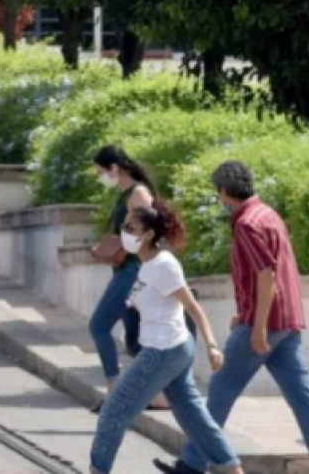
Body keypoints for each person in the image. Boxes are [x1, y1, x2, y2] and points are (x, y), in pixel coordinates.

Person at [154, 161, 309, 474]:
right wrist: (244, 315)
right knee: (303, 399)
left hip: (266, 326)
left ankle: (192, 463)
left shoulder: (245, 224)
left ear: (225, 191)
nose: (219, 199)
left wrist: (256, 327)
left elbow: (266, 275)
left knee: (219, 392)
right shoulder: (268, 214)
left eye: (218, 193)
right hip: (286, 322)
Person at [90, 199, 242, 474]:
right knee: (194, 417)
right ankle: (233, 471)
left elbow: (193, 307)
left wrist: (211, 345)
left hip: (164, 349)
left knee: (113, 411)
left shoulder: (164, 265)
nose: (123, 232)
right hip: (170, 347)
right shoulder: (145, 265)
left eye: (129, 227)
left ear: (148, 235)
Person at [89, 145, 169, 412]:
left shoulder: (138, 194)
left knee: (99, 326)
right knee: (137, 335)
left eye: (101, 171)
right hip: (127, 269)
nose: (100, 176)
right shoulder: (124, 194)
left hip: (135, 271)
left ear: (116, 168)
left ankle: (115, 391)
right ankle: (156, 395)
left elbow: (153, 230)